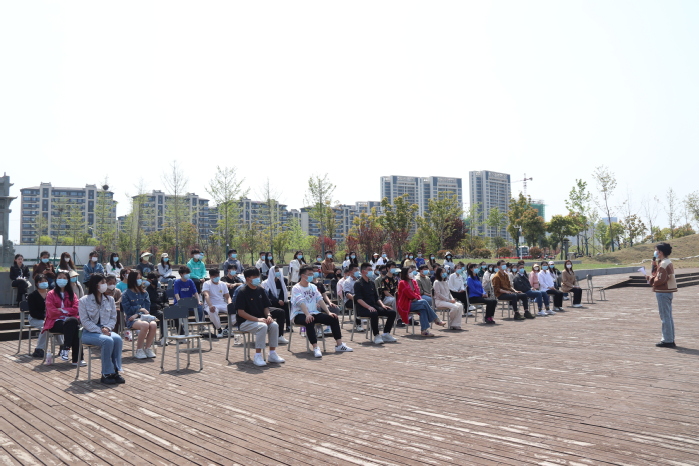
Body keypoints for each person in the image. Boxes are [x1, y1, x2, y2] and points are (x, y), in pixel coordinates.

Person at [291, 265, 354, 358]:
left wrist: (328, 312)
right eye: (310, 274)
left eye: (312, 274)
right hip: (299, 314)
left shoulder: (313, 286)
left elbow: (320, 299)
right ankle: (315, 347)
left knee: (333, 318)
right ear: (303, 275)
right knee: (310, 320)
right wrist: (307, 314)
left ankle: (339, 345)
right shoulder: (296, 288)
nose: (312, 276)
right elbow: (301, 302)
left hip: (314, 312)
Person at [234, 267, 286, 367]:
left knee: (274, 325)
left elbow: (266, 307)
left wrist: (269, 316)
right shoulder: (242, 292)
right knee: (262, 326)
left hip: (260, 320)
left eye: (258, 276)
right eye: (254, 277)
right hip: (245, 322)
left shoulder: (261, 290)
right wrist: (257, 319)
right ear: (248, 279)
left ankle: (272, 354)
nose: (257, 279)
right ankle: (258, 355)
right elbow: (241, 312)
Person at [78, 274, 124, 385]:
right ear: (95, 285)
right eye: (102, 282)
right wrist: (100, 330)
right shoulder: (84, 300)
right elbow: (85, 321)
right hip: (89, 332)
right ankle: (106, 373)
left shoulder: (110, 300)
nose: (105, 285)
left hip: (106, 329)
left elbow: (113, 317)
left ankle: (115, 370)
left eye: (105, 282)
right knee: (107, 340)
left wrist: (107, 328)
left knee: (117, 339)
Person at [43, 270, 83, 365]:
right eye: (60, 278)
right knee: (75, 327)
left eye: (64, 278)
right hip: (54, 322)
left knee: (73, 323)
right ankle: (77, 359)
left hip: (70, 322)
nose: (62, 280)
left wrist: (61, 310)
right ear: (56, 279)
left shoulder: (72, 294)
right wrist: (67, 312)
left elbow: (76, 309)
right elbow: (51, 311)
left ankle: (66, 349)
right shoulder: (51, 294)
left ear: (68, 280)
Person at [353, 263, 398, 344]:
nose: (371, 271)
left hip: (374, 306)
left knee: (392, 312)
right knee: (374, 313)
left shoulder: (371, 283)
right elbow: (359, 299)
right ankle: (376, 335)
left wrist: (383, 305)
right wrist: (368, 307)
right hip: (363, 308)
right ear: (363, 271)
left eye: (371, 270)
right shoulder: (358, 283)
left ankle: (386, 334)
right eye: (369, 270)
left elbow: (377, 298)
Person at [397, 267, 446, 336]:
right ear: (405, 274)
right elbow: (409, 294)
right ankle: (436, 319)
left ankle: (424, 331)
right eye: (410, 272)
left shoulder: (414, 281)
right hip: (406, 304)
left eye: (412, 271)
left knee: (423, 309)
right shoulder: (402, 283)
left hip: (415, 303)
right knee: (424, 302)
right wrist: (415, 297)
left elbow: (418, 292)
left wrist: (415, 298)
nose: (411, 273)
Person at [121, 270, 158, 359]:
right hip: (131, 319)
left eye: (140, 278)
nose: (139, 280)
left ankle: (148, 348)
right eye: (137, 278)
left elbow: (147, 309)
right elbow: (128, 310)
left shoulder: (144, 293)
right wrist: (139, 309)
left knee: (153, 324)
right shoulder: (126, 294)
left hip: (143, 317)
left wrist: (137, 314)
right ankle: (139, 350)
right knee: (145, 325)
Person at [647, 242, 677, 348]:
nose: (655, 252)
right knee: (667, 316)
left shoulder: (664, 264)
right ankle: (670, 338)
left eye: (656, 250)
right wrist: (654, 265)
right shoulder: (665, 262)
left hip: (663, 292)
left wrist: (650, 279)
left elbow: (660, 279)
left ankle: (667, 340)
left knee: (665, 317)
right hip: (667, 292)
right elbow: (658, 275)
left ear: (661, 252)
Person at [26, 274, 58, 358]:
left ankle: (62, 345)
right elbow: (33, 312)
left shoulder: (52, 293)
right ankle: (39, 349)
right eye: (41, 281)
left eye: (45, 281)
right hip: (35, 319)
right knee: (46, 326)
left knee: (58, 323)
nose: (43, 283)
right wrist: (44, 317)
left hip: (50, 317)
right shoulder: (32, 296)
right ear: (37, 283)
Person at [262, 266, 290, 341]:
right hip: (271, 303)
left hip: (280, 301)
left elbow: (282, 292)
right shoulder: (265, 283)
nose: (277, 272)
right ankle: (278, 334)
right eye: (276, 271)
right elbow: (268, 295)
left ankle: (288, 326)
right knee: (280, 311)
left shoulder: (281, 282)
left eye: (278, 271)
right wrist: (277, 300)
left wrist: (281, 300)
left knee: (286, 306)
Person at [202, 269, 232, 339]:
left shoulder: (223, 284)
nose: (216, 277)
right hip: (211, 304)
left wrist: (230, 304)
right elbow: (206, 295)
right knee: (213, 311)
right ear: (210, 276)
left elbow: (228, 296)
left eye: (217, 275)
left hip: (222, 304)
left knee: (235, 311)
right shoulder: (206, 284)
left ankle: (227, 329)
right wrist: (210, 305)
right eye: (214, 276)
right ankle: (219, 330)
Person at [144, 273, 168, 340]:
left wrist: (166, 306)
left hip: (162, 309)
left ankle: (181, 334)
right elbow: (147, 304)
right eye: (154, 278)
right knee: (163, 315)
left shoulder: (161, 290)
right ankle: (163, 337)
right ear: (149, 280)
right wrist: (156, 306)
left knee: (176, 313)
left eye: (157, 278)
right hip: (152, 311)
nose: (156, 280)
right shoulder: (146, 291)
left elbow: (166, 301)